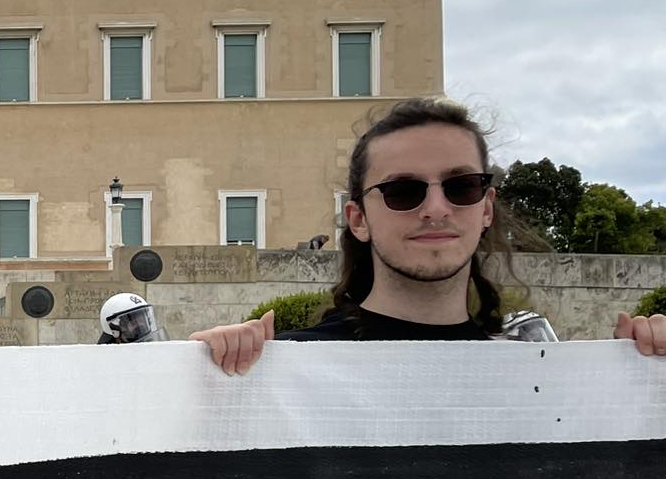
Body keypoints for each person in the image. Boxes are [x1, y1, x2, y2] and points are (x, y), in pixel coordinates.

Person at [192, 97, 666, 373]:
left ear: (486, 208)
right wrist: (201, 377)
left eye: (462, 186)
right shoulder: (287, 367)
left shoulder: (537, 376)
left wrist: (647, 374)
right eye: (403, 191)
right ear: (358, 219)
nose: (436, 209)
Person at [97, 292, 164, 345]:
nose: (141, 324)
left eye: (143, 319)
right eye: (133, 321)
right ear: (115, 329)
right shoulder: (105, 357)